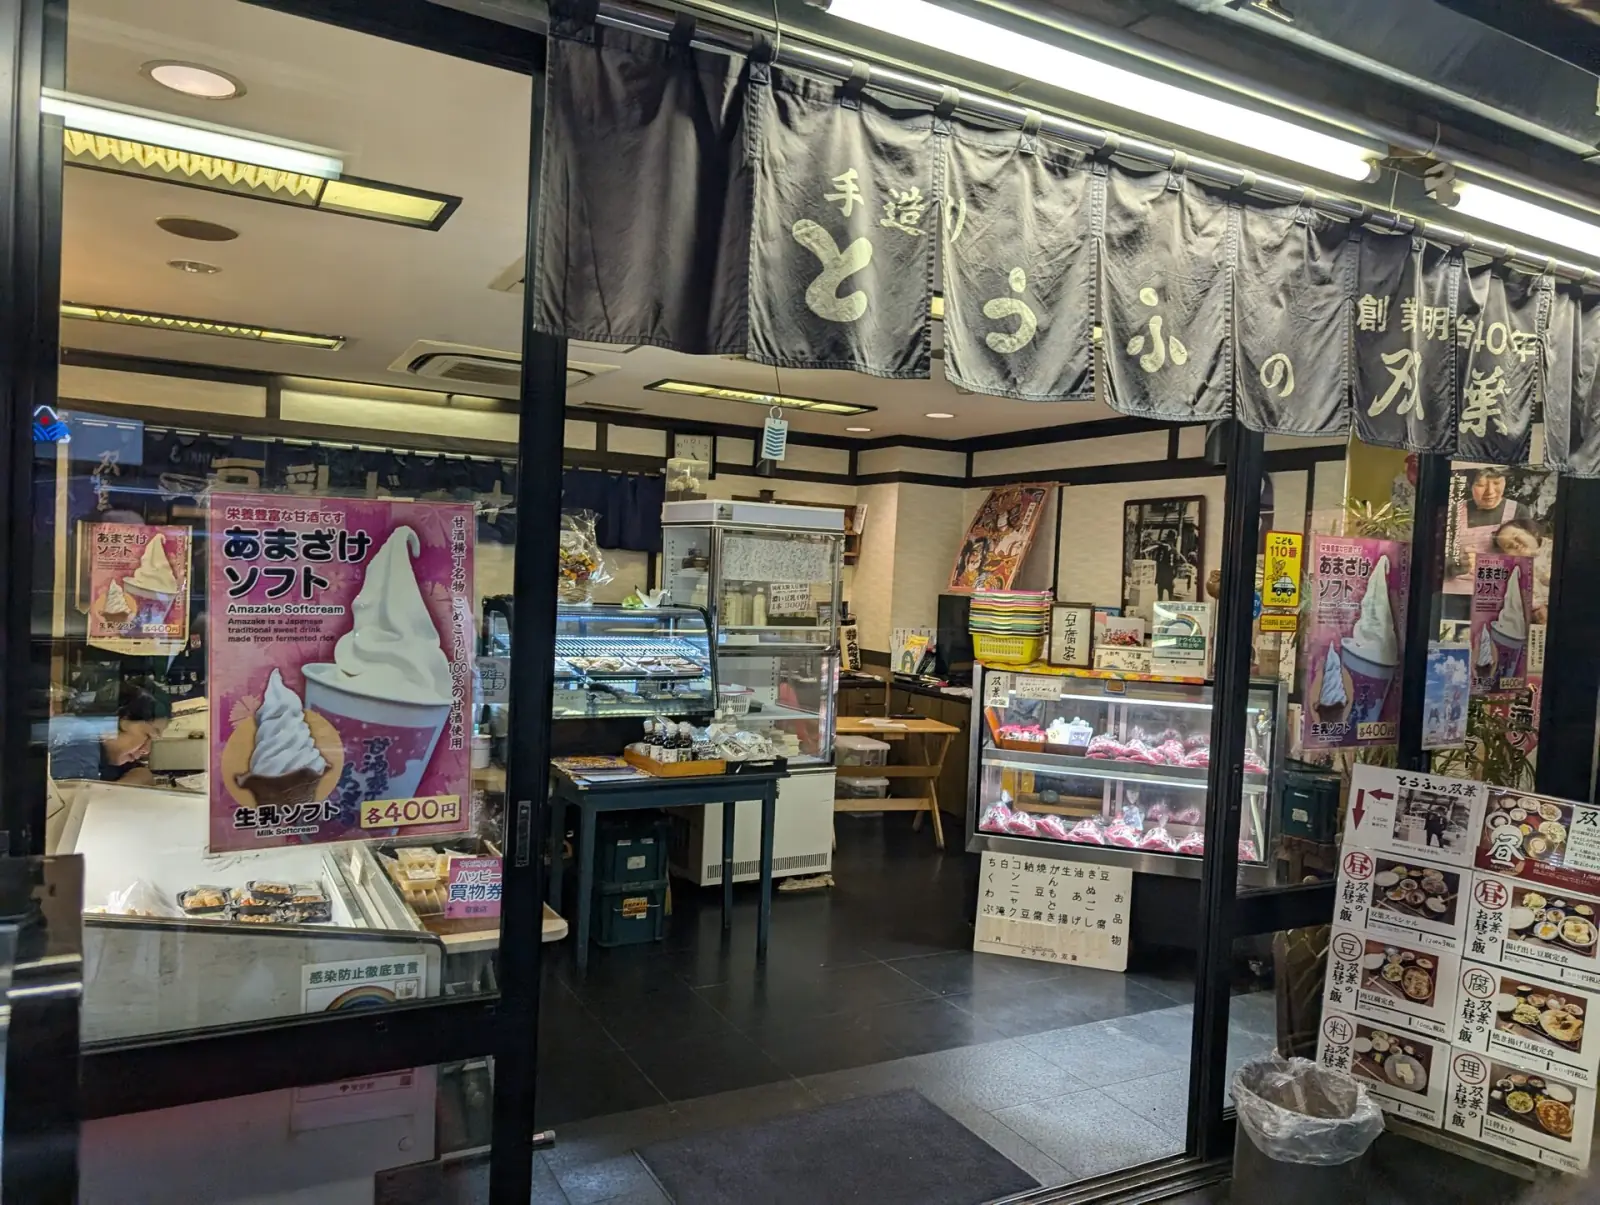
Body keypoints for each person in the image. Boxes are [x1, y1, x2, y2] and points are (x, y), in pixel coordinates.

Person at [49, 679, 166, 786]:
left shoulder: (105, 748)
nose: (147, 750)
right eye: (147, 735)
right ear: (118, 720)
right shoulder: (79, 737)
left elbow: (142, 773)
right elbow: (82, 804)